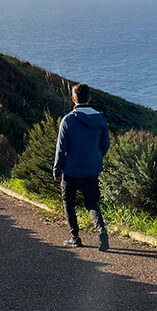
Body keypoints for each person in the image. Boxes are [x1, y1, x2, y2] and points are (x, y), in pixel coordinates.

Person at [53, 83, 110, 250]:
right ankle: (102, 231)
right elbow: (105, 144)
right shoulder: (100, 119)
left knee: (68, 202)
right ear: (89, 98)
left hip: (71, 170)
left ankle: (75, 237)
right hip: (92, 169)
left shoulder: (68, 120)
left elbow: (60, 148)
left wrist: (57, 170)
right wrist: (96, 158)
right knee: (92, 203)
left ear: (73, 99)